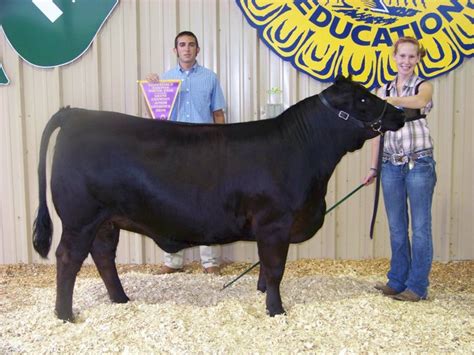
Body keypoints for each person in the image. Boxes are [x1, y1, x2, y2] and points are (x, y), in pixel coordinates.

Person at [145, 31, 225, 275]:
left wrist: (221, 147)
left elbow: (218, 114)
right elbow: (157, 118)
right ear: (175, 50)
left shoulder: (210, 78)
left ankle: (210, 262)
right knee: (171, 203)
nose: (187, 49)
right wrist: (152, 90)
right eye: (182, 45)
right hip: (175, 150)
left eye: (191, 45)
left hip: (204, 149)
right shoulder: (164, 80)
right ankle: (173, 260)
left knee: (208, 203)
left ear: (197, 50)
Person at [363, 36, 436, 301]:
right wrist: (373, 167)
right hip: (391, 165)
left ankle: (417, 286)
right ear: (394, 57)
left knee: (420, 228)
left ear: (418, 59)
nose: (406, 61)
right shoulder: (381, 90)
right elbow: (376, 133)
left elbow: (418, 102)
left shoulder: (423, 87)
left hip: (419, 163)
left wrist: (391, 102)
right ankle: (397, 280)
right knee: (396, 226)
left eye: (411, 56)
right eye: (402, 56)